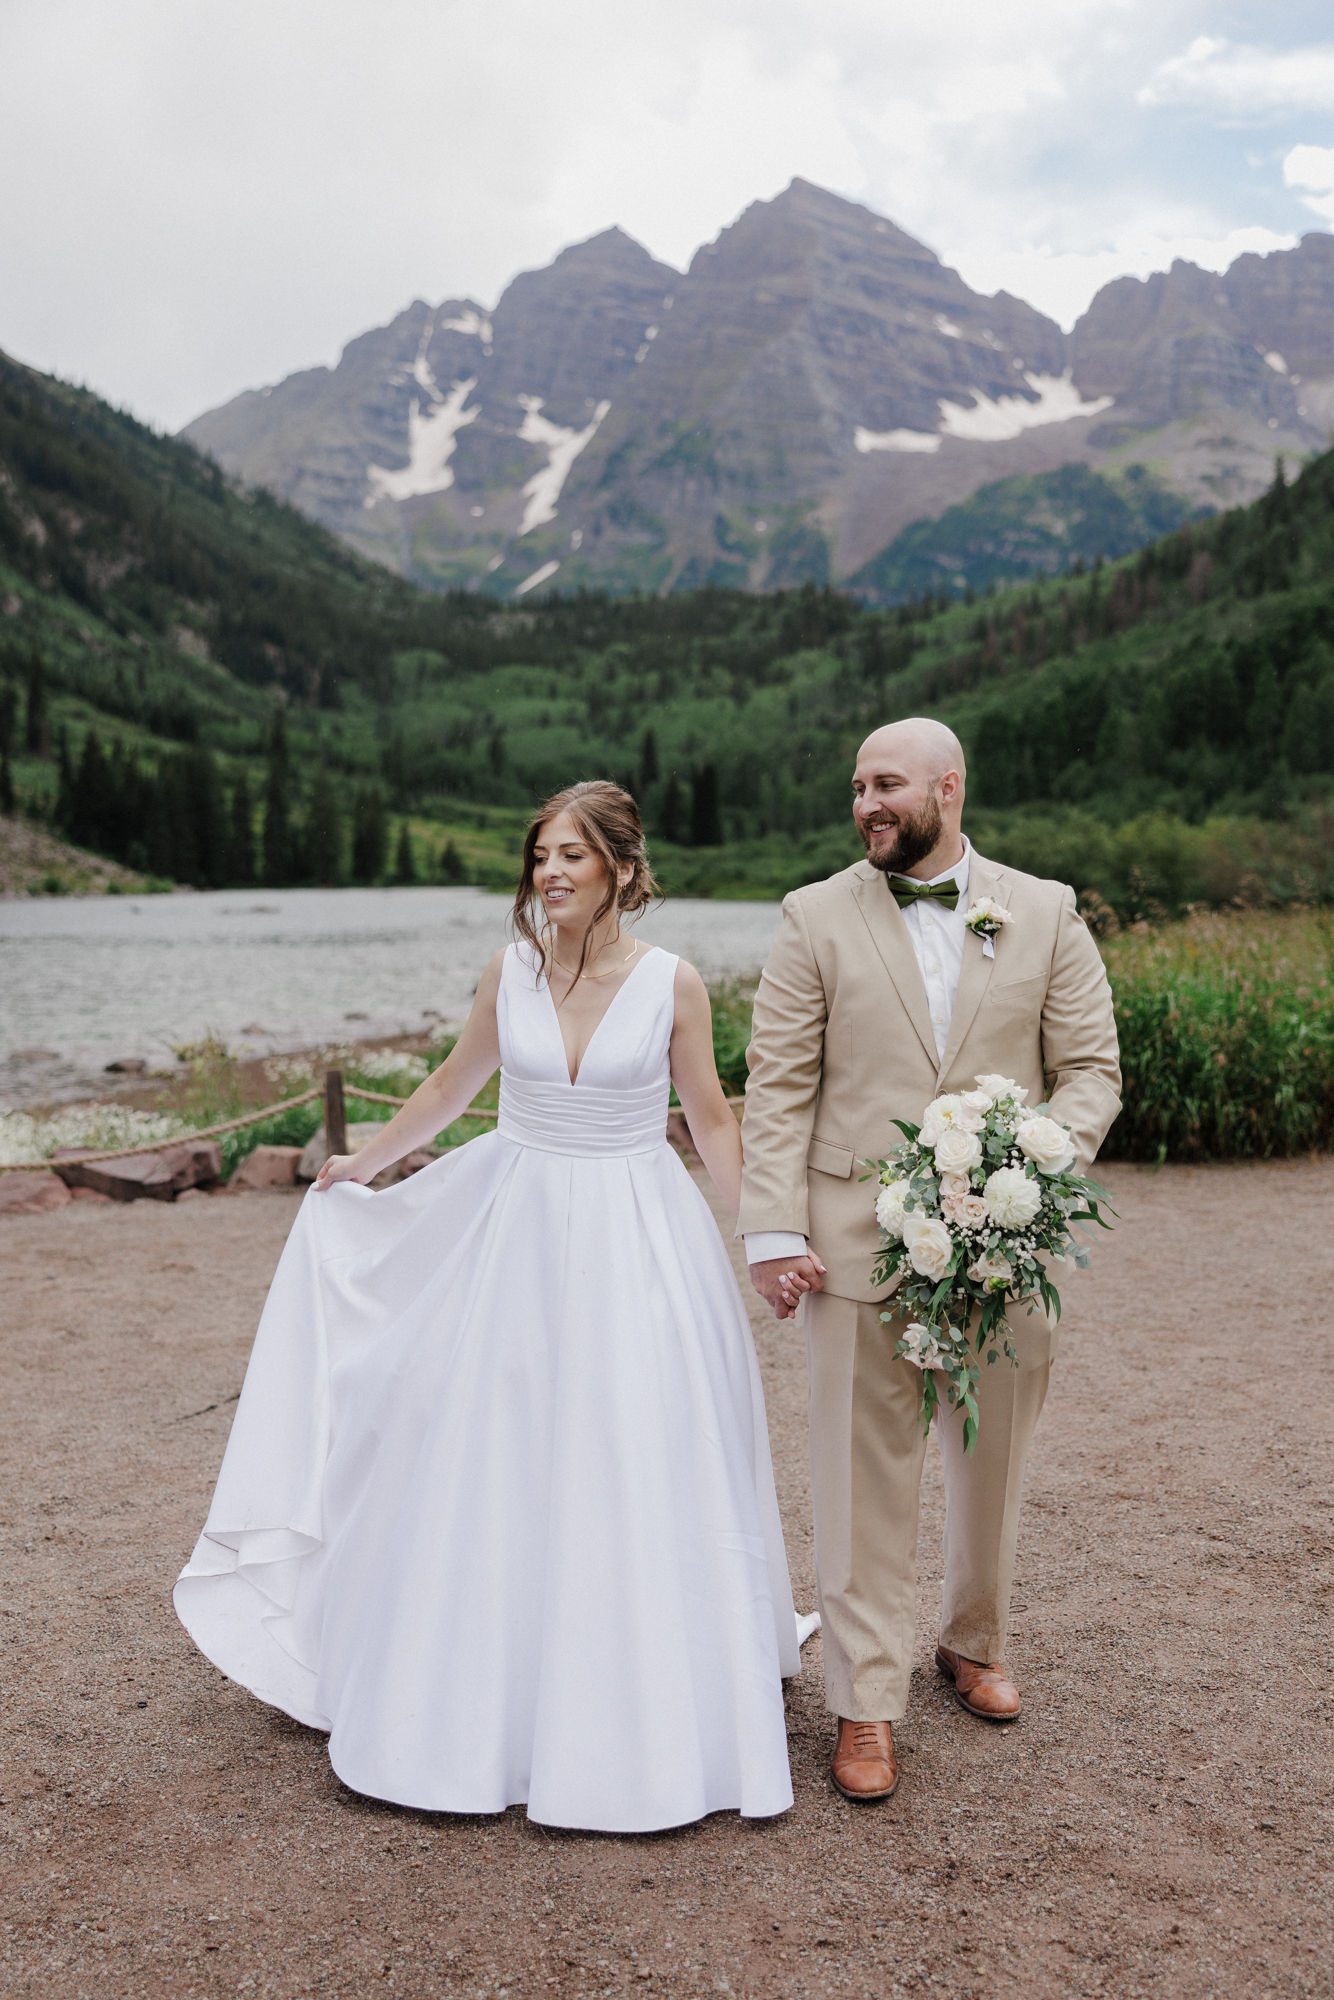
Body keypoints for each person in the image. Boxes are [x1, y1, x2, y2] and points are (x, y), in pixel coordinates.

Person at [175, 780, 806, 1833]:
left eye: (569, 854)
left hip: (633, 1235)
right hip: (511, 1229)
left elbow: (709, 1122)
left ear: (617, 865)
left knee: (629, 1447)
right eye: (538, 856)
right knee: (493, 1444)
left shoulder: (673, 985)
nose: (548, 872)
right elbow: (446, 1089)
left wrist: (763, 1244)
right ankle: (477, 1702)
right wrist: (360, 1166)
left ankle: (630, 1706)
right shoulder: (505, 971)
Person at [739, 718, 1120, 1804]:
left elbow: (1089, 1068)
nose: (866, 801)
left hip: (1009, 1239)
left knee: (991, 1456)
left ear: (947, 788)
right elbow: (776, 1086)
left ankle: (970, 1638)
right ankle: (864, 1696)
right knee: (860, 1475)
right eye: (856, 784)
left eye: (887, 783)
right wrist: (772, 1229)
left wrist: (1035, 1167)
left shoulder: (1043, 909)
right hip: (854, 1240)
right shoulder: (810, 916)